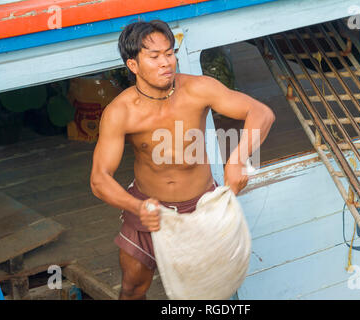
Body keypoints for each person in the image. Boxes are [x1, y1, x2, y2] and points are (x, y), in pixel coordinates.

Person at [90, 20, 275, 300]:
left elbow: (261, 113)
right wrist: (137, 206)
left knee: (211, 288)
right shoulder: (121, 112)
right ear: (133, 66)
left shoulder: (198, 89)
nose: (166, 62)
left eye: (169, 53)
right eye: (154, 57)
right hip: (148, 209)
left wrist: (236, 159)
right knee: (133, 286)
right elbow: (99, 179)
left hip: (202, 206)